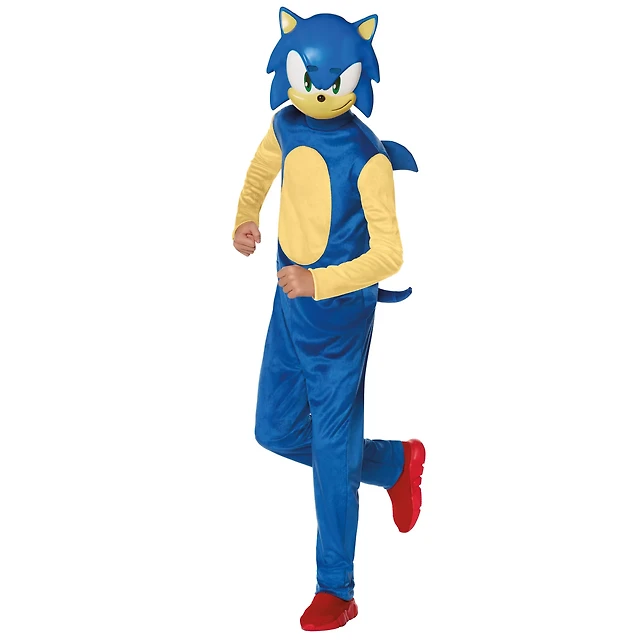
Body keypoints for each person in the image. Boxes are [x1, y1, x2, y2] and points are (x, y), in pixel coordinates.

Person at [232, 8, 425, 632]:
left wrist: (321, 282)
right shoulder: (285, 124)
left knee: (333, 447)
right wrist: (246, 218)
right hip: (290, 307)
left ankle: (336, 589)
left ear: (355, 79)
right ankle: (393, 465)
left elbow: (389, 255)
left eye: (331, 85)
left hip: (340, 318)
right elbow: (262, 171)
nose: (317, 95)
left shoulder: (367, 156)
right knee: (273, 430)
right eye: (308, 82)